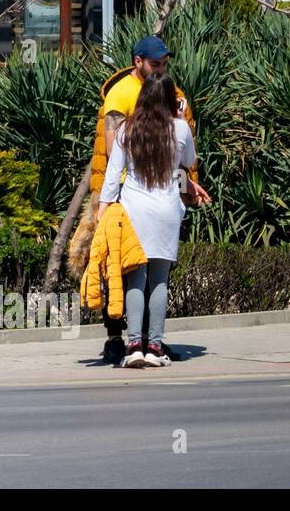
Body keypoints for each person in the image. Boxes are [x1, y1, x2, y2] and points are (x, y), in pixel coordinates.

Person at [69, 34, 205, 364]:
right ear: (138, 62)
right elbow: (118, 151)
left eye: (163, 63)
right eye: (155, 63)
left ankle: (141, 342)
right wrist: (107, 203)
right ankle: (123, 339)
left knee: (137, 274)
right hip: (131, 197)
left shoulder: (169, 93)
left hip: (138, 197)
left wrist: (188, 185)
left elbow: (180, 153)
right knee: (123, 270)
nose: (161, 67)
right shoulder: (121, 94)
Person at [97, 72, 209, 367]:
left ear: (143, 97)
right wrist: (181, 117)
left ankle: (133, 345)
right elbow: (188, 163)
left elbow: (112, 177)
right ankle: (155, 348)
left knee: (136, 278)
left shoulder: (126, 130)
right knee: (159, 281)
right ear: (171, 99)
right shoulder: (180, 129)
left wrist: (103, 209)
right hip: (167, 210)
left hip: (134, 210)